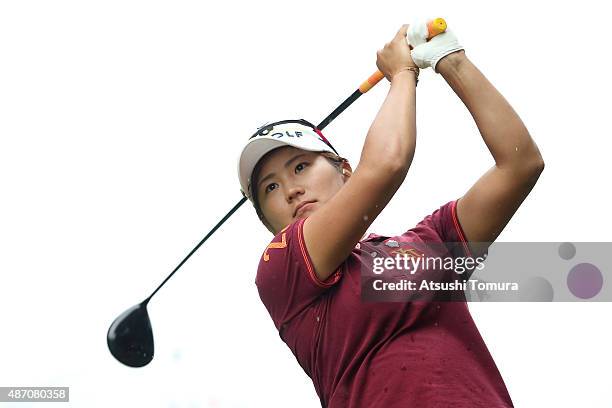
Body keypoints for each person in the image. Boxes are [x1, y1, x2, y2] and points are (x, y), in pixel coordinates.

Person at [237, 22, 543, 408]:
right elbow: (386, 165)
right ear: (269, 222)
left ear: (344, 170)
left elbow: (519, 165)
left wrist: (450, 60)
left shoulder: (426, 244)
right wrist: (402, 75)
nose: (290, 189)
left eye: (300, 167)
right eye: (270, 188)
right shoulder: (283, 268)